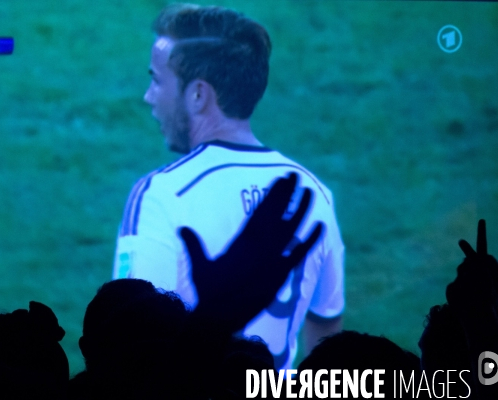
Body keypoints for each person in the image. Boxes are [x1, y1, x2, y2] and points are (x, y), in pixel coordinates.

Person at [113, 3, 345, 369]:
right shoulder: (315, 195)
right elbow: (327, 324)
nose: (148, 96)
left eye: (157, 80)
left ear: (198, 95)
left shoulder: (161, 195)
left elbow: (129, 345)